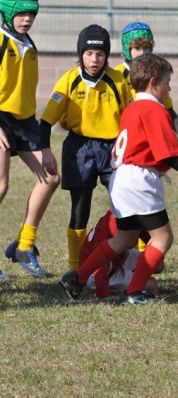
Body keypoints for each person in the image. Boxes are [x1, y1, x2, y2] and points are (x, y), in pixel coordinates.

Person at [59, 53, 178, 304]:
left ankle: (77, 277)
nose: (169, 88)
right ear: (154, 82)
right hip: (139, 180)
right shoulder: (154, 109)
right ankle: (135, 293)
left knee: (126, 238)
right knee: (163, 238)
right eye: (167, 82)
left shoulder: (132, 107)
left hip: (121, 178)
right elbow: (168, 156)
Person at [40, 24, 132, 270]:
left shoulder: (118, 80)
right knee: (80, 208)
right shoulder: (69, 80)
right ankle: (75, 267)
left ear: (106, 56)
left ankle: (134, 258)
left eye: (100, 54)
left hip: (113, 148)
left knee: (126, 203)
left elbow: (133, 117)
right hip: (79, 148)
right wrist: (45, 151)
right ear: (80, 54)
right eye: (89, 54)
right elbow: (46, 120)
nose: (94, 59)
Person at [1, 0, 60, 279]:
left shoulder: (28, 43)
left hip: (24, 122)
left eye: (31, 14)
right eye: (20, 14)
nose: (26, 19)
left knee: (50, 177)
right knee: (0, 185)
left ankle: (24, 247)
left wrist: (44, 144)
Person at [117, 21, 178, 157]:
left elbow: (168, 110)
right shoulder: (117, 77)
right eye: (138, 48)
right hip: (124, 142)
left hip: (147, 140)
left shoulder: (155, 74)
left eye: (147, 48)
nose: (143, 53)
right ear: (127, 49)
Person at [80, 209, 160, 298]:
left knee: (158, 265)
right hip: (97, 273)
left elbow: (146, 235)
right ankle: (126, 286)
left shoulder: (132, 210)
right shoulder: (114, 222)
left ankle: (129, 278)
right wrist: (103, 294)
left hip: (120, 257)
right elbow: (99, 266)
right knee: (152, 286)